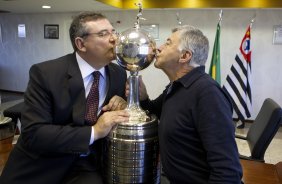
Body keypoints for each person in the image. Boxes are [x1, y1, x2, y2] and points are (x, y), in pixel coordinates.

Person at [0, 12, 129, 184]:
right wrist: (95, 131)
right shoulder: (46, 74)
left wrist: (123, 102)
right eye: (103, 34)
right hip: (42, 164)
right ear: (81, 44)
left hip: (88, 164)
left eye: (114, 32)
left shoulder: (119, 73)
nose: (114, 39)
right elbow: (34, 133)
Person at [126, 25, 243, 183]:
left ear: (185, 56)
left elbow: (227, 170)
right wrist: (143, 98)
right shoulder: (176, 86)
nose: (159, 48)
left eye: (168, 43)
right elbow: (156, 111)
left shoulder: (207, 94)